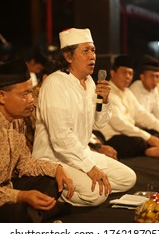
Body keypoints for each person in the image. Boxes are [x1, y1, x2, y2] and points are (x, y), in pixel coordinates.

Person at [32, 28, 136, 207]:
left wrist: (104, 101)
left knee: (129, 178)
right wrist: (89, 168)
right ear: (68, 57)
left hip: (81, 152)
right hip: (54, 158)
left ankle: (86, 186)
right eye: (85, 51)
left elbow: (100, 123)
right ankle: (53, 189)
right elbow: (60, 137)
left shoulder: (89, 81)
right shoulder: (55, 84)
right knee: (96, 195)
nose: (92, 56)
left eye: (93, 50)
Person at [0, 59, 74, 223]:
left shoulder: (17, 120)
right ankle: (41, 215)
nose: (31, 100)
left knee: (50, 181)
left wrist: (56, 169)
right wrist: (21, 196)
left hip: (10, 186)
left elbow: (24, 163)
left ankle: (34, 217)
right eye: (24, 94)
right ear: (2, 96)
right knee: (16, 212)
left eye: (30, 92)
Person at [94, 55, 159, 159]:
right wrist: (148, 138)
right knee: (136, 142)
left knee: (157, 134)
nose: (127, 76)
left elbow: (142, 114)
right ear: (113, 73)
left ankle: (149, 147)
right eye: (124, 72)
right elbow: (120, 124)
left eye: (130, 73)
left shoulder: (127, 92)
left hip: (128, 132)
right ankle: (147, 150)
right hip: (111, 136)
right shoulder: (107, 92)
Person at [130, 55, 159, 135]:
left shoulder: (154, 88)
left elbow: (158, 111)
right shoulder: (136, 88)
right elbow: (141, 117)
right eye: (152, 76)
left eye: (157, 76)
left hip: (150, 124)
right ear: (142, 77)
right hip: (138, 127)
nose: (155, 80)